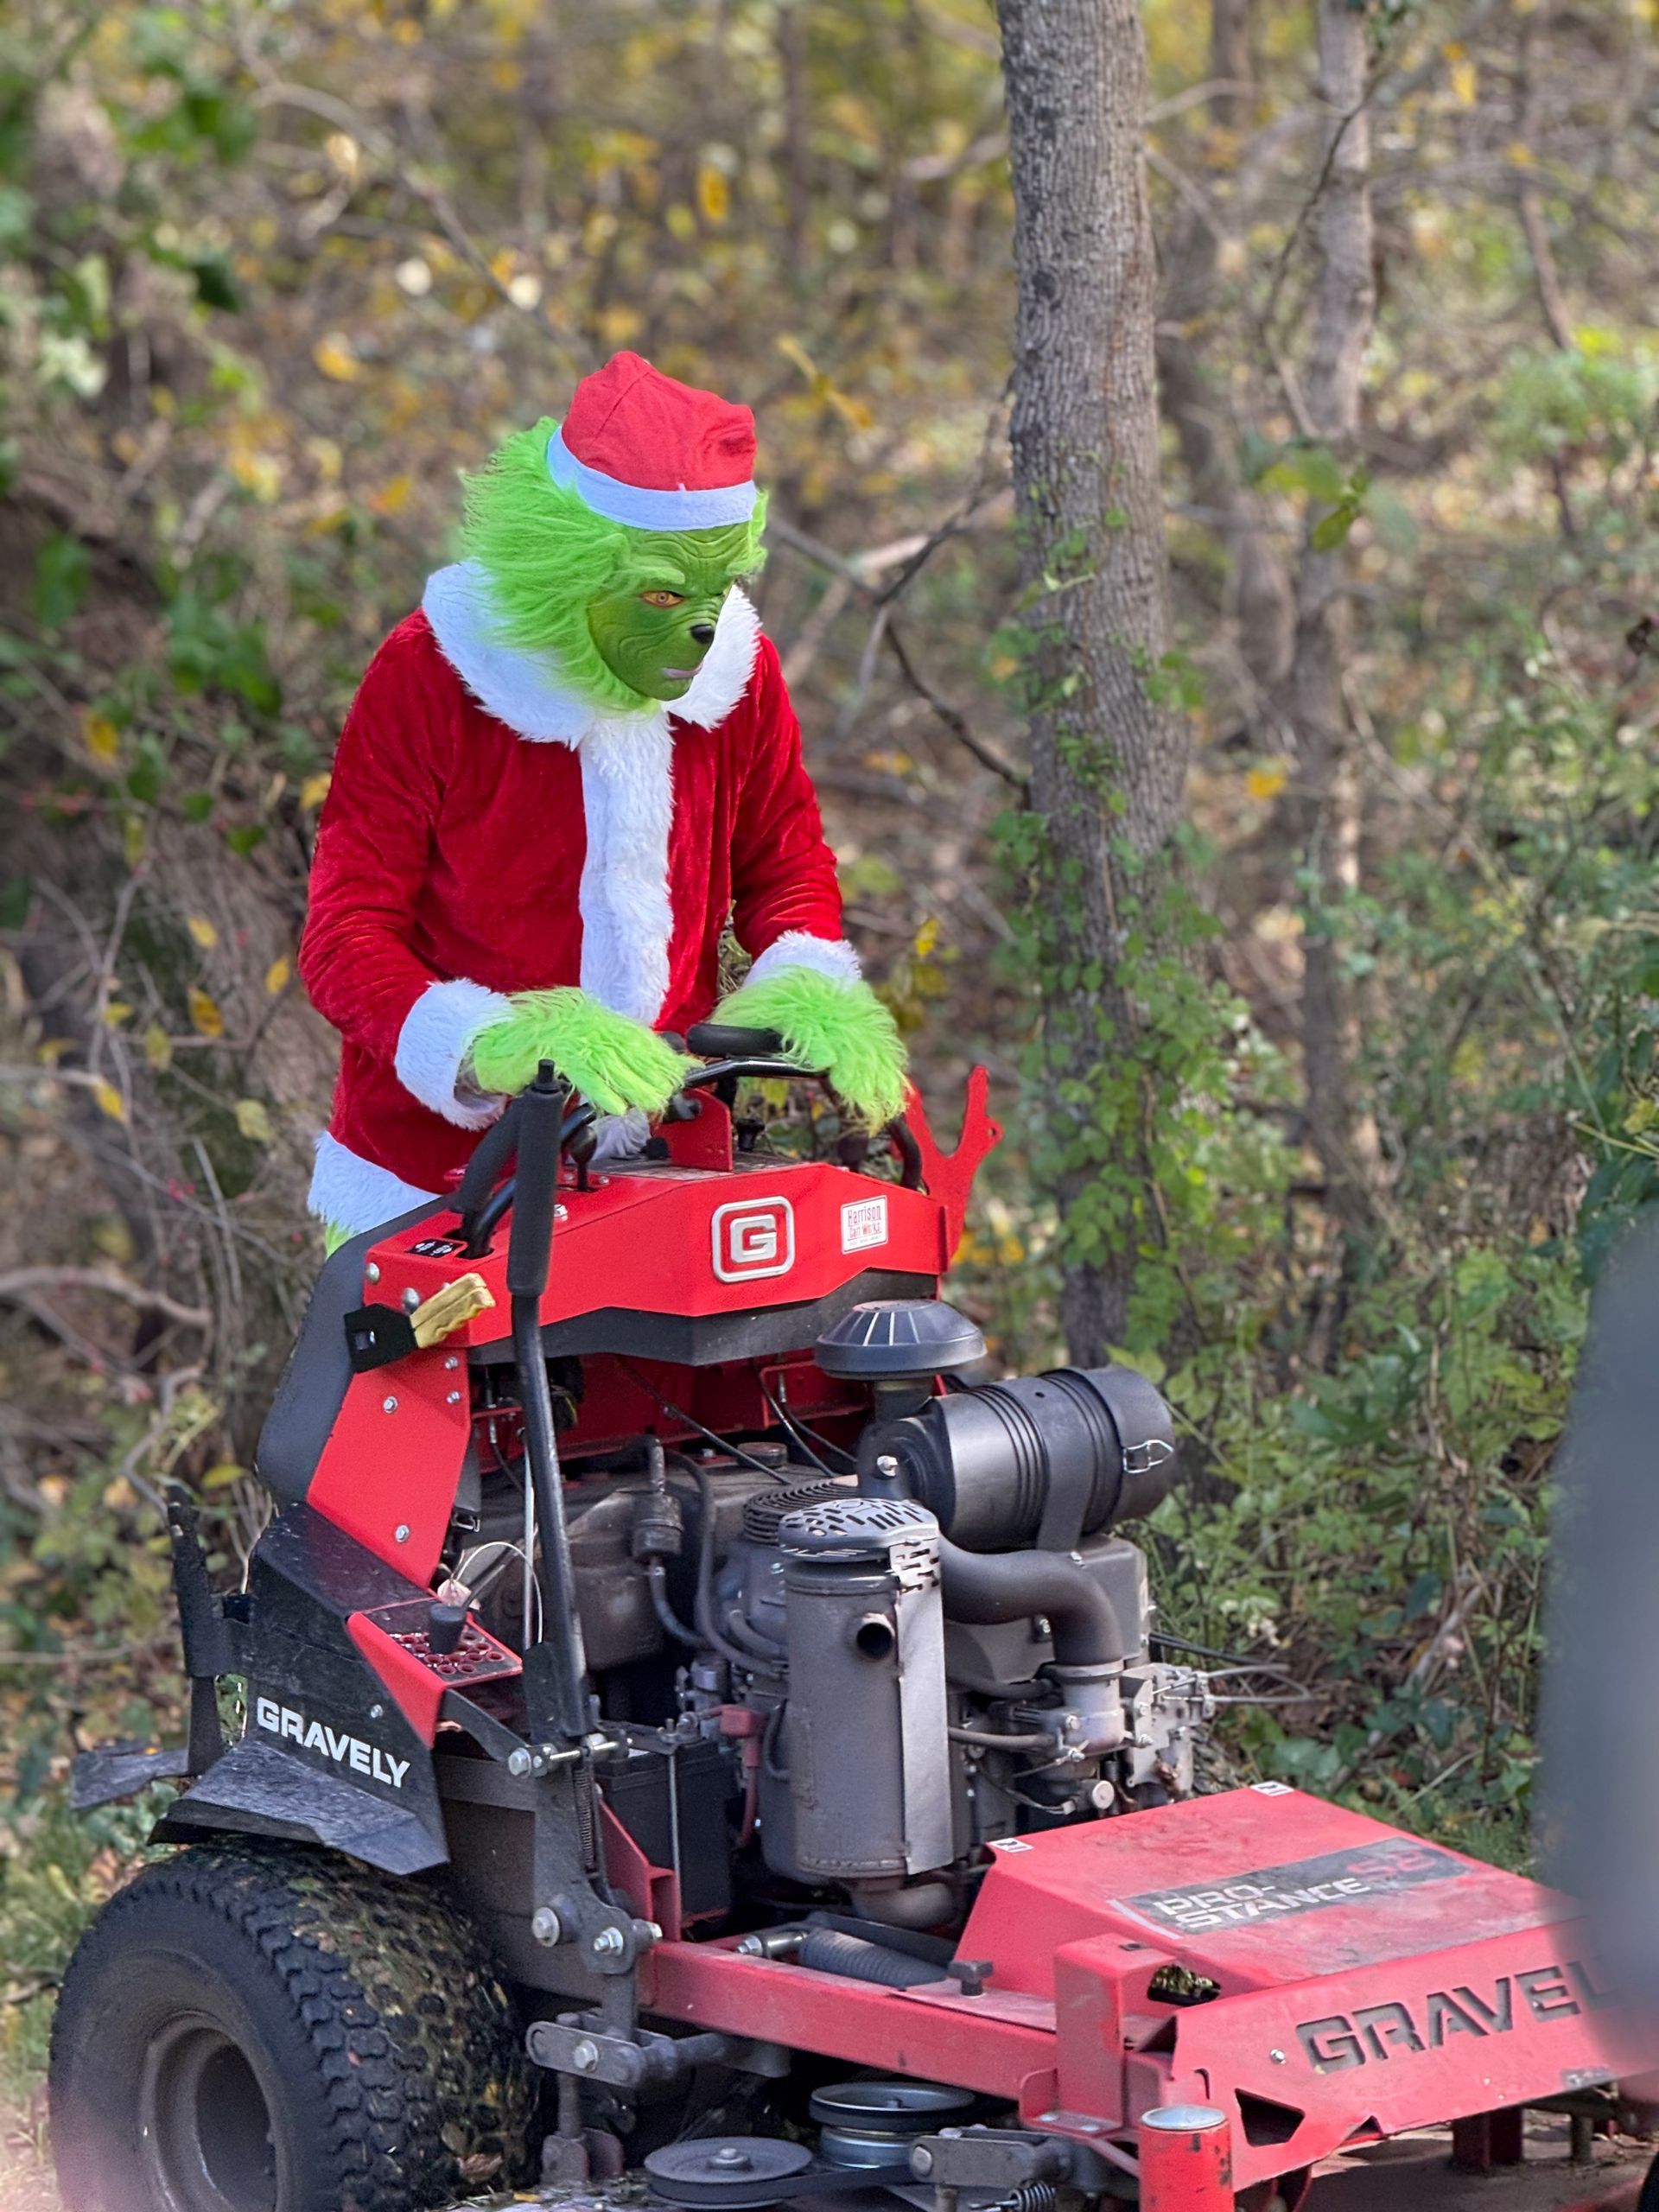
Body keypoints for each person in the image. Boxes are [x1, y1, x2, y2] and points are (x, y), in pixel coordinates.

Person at [299, 351, 907, 1247]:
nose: (700, 628)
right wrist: (492, 1043)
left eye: (713, 593)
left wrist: (805, 980)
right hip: (437, 1182)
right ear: (575, 569)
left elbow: (785, 858)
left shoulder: (740, 673)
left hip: (668, 1164)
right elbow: (344, 937)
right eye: (661, 593)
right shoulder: (430, 674)